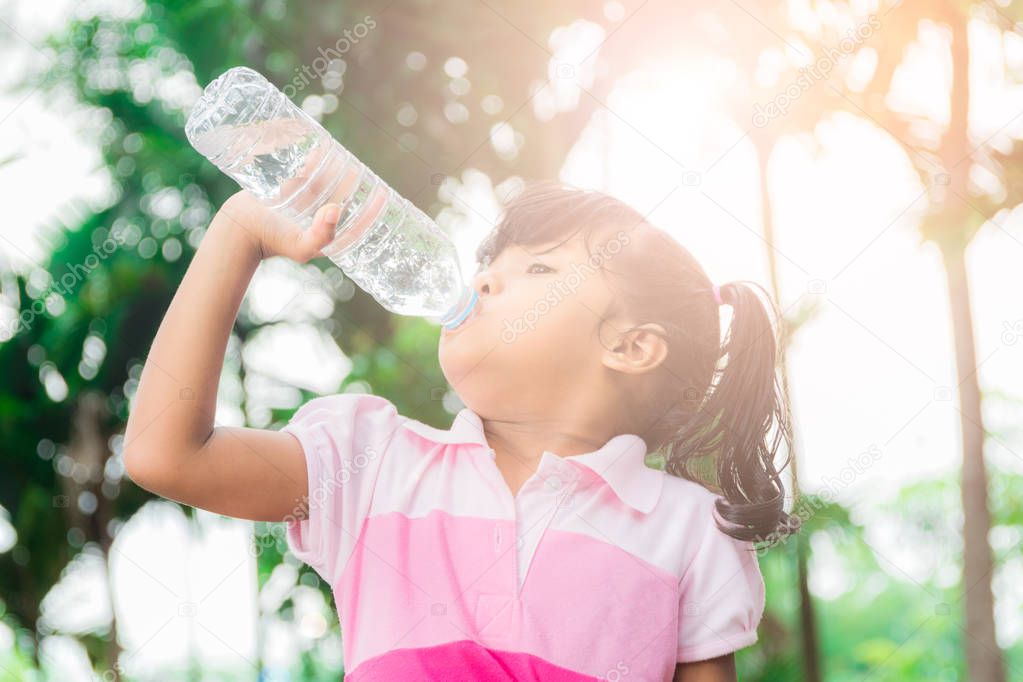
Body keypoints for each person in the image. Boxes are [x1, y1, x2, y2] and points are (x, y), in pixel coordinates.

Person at [124, 180, 796, 681]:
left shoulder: (687, 530)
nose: (482, 280)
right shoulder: (372, 464)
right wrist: (239, 230)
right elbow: (167, 453)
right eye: (488, 267)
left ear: (630, 347)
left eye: (539, 269)